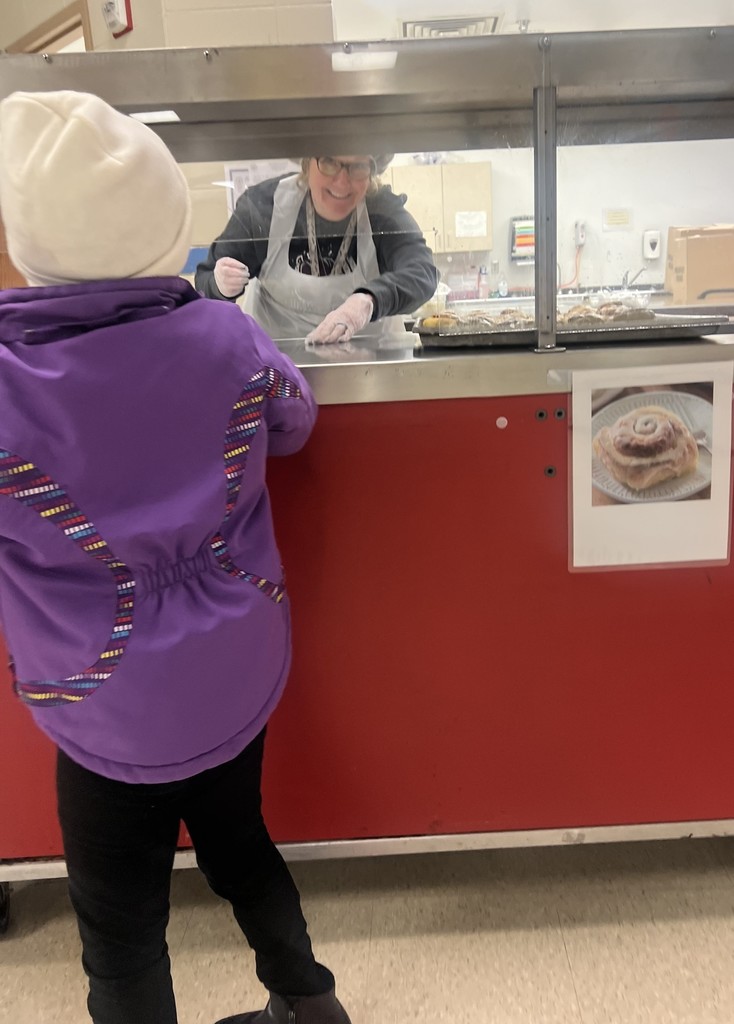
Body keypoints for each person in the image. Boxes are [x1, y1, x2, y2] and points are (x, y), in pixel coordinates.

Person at [0, 90, 351, 1024]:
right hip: (231, 665)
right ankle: (310, 1006)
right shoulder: (225, 333)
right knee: (244, 846)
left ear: (25, 246)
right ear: (168, 230)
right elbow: (295, 421)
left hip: (101, 695)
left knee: (118, 927)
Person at [195, 155, 438, 343]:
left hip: (368, 372)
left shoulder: (382, 211)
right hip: (279, 376)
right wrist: (219, 285)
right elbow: (205, 281)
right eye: (329, 162)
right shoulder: (264, 207)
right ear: (307, 163)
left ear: (372, 170)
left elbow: (422, 273)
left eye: (358, 167)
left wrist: (367, 302)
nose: (343, 181)